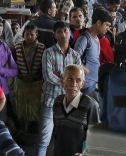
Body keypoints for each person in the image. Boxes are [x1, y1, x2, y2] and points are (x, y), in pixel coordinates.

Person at [38, 21, 83, 156]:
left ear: (70, 33)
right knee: (43, 139)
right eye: (59, 31)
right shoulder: (48, 53)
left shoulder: (75, 55)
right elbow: (48, 76)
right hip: (50, 101)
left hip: (69, 103)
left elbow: (79, 80)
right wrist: (69, 79)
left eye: (66, 31)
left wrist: (62, 75)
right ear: (55, 35)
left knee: (66, 139)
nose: (63, 34)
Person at [51, 64, 100, 156]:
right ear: (62, 81)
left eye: (78, 80)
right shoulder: (57, 102)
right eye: (69, 79)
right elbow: (56, 132)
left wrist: (84, 154)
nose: (73, 84)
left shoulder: (90, 105)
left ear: (82, 84)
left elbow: (96, 139)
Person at [12, 22, 45, 133]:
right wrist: (21, 76)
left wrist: (35, 77)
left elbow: (44, 66)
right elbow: (13, 64)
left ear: (36, 35)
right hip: (21, 81)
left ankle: (33, 128)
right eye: (27, 34)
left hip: (36, 83)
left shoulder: (42, 48)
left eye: (32, 34)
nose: (29, 37)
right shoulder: (17, 48)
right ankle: (22, 127)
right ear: (23, 35)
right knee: (21, 104)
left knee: (35, 105)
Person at [74, 8, 112, 97]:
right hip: (86, 86)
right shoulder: (84, 38)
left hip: (93, 84)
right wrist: (85, 70)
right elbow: (74, 58)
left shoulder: (96, 38)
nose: (108, 29)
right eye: (106, 25)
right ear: (98, 22)